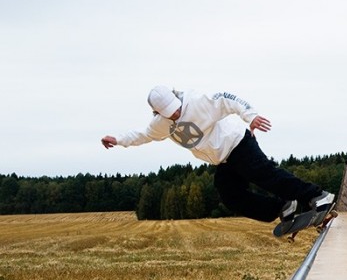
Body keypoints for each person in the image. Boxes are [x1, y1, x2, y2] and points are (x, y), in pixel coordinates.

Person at [101, 86, 334, 223]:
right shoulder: (160, 124)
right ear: (159, 113)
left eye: (178, 110)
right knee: (230, 196)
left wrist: (250, 116)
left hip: (237, 143)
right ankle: (283, 207)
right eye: (171, 114)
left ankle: (318, 196)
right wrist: (118, 140)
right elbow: (142, 135)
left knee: (265, 175)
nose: (177, 115)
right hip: (223, 161)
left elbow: (227, 100)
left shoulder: (197, 101)